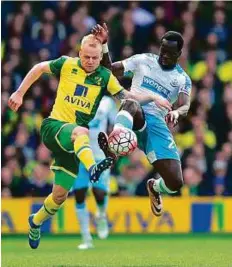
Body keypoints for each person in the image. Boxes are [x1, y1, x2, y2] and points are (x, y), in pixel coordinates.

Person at [8, 34, 171, 249]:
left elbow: (126, 97)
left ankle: (35, 221)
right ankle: (93, 167)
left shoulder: (104, 76)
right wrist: (20, 93)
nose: (91, 61)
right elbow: (39, 67)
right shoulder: (66, 64)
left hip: (73, 145)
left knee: (59, 197)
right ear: (79, 53)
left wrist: (153, 98)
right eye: (86, 57)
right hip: (54, 127)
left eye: (95, 57)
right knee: (81, 131)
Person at [92, 24, 192, 216]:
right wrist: (104, 45)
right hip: (133, 115)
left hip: (156, 124)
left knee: (175, 182)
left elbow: (185, 105)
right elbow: (108, 71)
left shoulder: (182, 78)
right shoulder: (143, 60)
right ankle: (113, 146)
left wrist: (178, 113)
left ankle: (155, 187)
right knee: (131, 102)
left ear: (179, 54)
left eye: (170, 53)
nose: (164, 55)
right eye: (162, 50)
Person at [73, 96, 117, 250]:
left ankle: (102, 214)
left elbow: (114, 124)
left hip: (99, 156)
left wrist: (111, 147)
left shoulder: (107, 102)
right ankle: (86, 238)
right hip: (79, 153)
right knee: (79, 194)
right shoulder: (76, 99)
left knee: (98, 193)